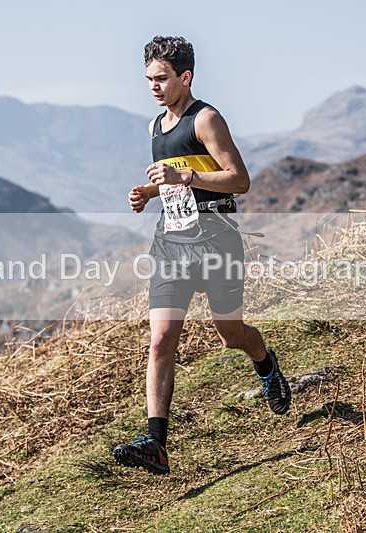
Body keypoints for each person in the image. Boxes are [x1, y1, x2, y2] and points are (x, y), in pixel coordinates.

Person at [112, 36, 291, 475]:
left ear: (185, 77)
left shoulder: (206, 119)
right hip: (171, 241)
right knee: (161, 339)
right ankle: (155, 442)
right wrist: (150, 192)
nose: (153, 87)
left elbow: (239, 180)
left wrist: (186, 175)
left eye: (162, 79)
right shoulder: (155, 128)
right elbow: (173, 181)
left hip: (216, 238)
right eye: (149, 79)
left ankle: (265, 363)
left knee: (229, 333)